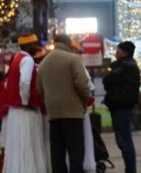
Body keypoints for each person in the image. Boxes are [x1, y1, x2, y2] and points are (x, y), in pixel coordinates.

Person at [38, 34, 92, 173]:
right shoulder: (73, 59)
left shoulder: (44, 62)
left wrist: (48, 103)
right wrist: (85, 100)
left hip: (54, 114)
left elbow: (39, 89)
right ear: (68, 44)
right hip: (73, 112)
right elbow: (81, 83)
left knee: (57, 153)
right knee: (75, 152)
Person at [2, 34, 49, 172]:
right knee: (29, 143)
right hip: (26, 110)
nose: (37, 47)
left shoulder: (16, 59)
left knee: (18, 145)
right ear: (30, 45)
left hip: (15, 112)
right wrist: (25, 100)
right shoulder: (27, 60)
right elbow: (24, 81)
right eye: (35, 44)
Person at [103, 41, 140, 173]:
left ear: (124, 52)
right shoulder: (125, 65)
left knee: (124, 141)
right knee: (123, 140)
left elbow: (107, 80)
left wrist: (109, 79)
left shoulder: (127, 66)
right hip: (120, 106)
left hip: (122, 107)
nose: (115, 53)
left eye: (118, 50)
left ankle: (130, 170)